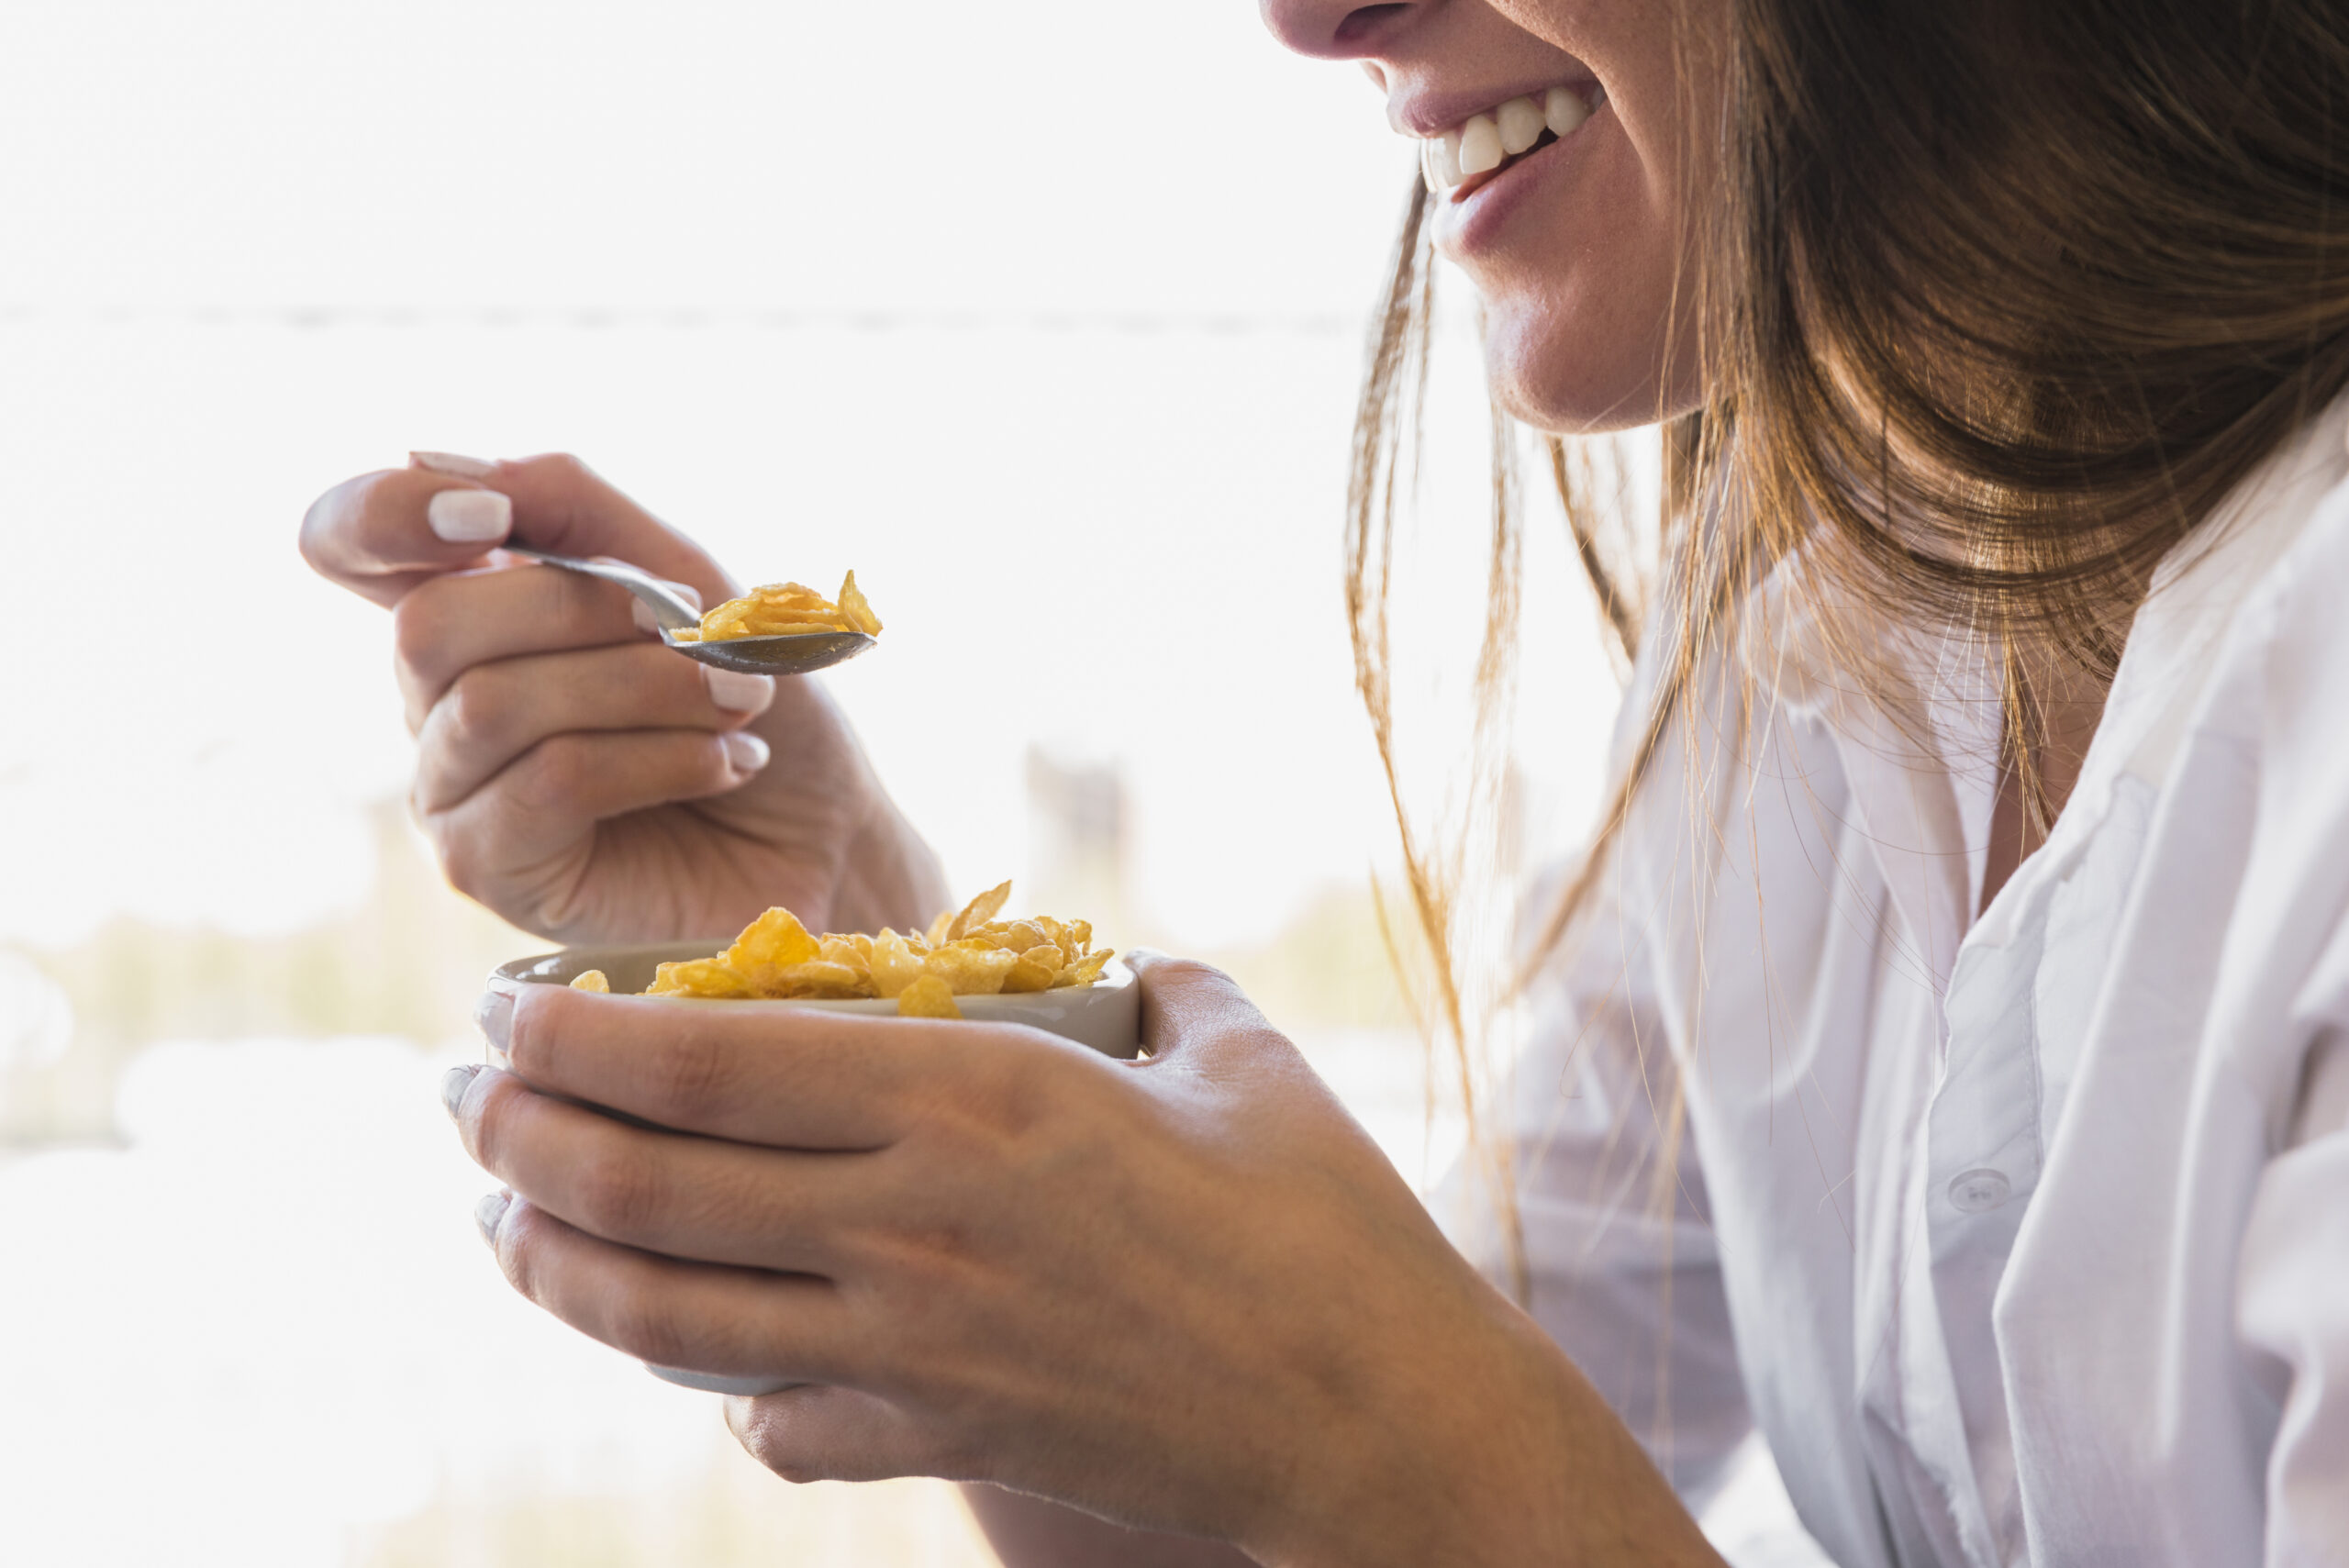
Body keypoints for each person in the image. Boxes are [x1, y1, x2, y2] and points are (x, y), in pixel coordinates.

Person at [299, 0, 2349, 1562]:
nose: (1304, 14)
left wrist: (1363, 1409)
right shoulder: (1795, 654)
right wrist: (854, 948)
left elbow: (1427, 1470)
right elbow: (1327, 1512)